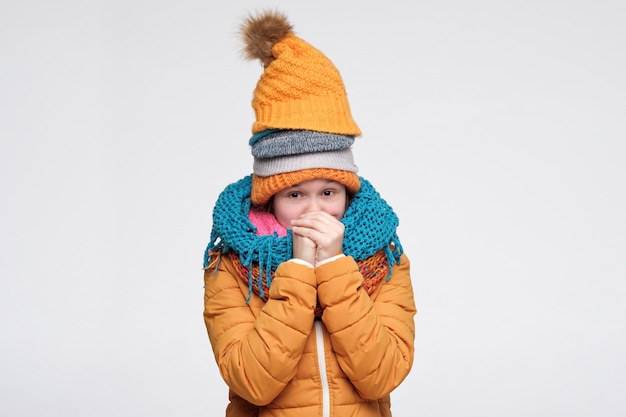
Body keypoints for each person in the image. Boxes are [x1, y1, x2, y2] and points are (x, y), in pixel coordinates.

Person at [202, 10, 417, 417]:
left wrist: (335, 267)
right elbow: (251, 382)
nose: (315, 209)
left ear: (348, 193)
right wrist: (299, 270)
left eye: (329, 192)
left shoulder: (383, 258)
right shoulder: (231, 262)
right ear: (270, 199)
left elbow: (382, 376)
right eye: (295, 194)